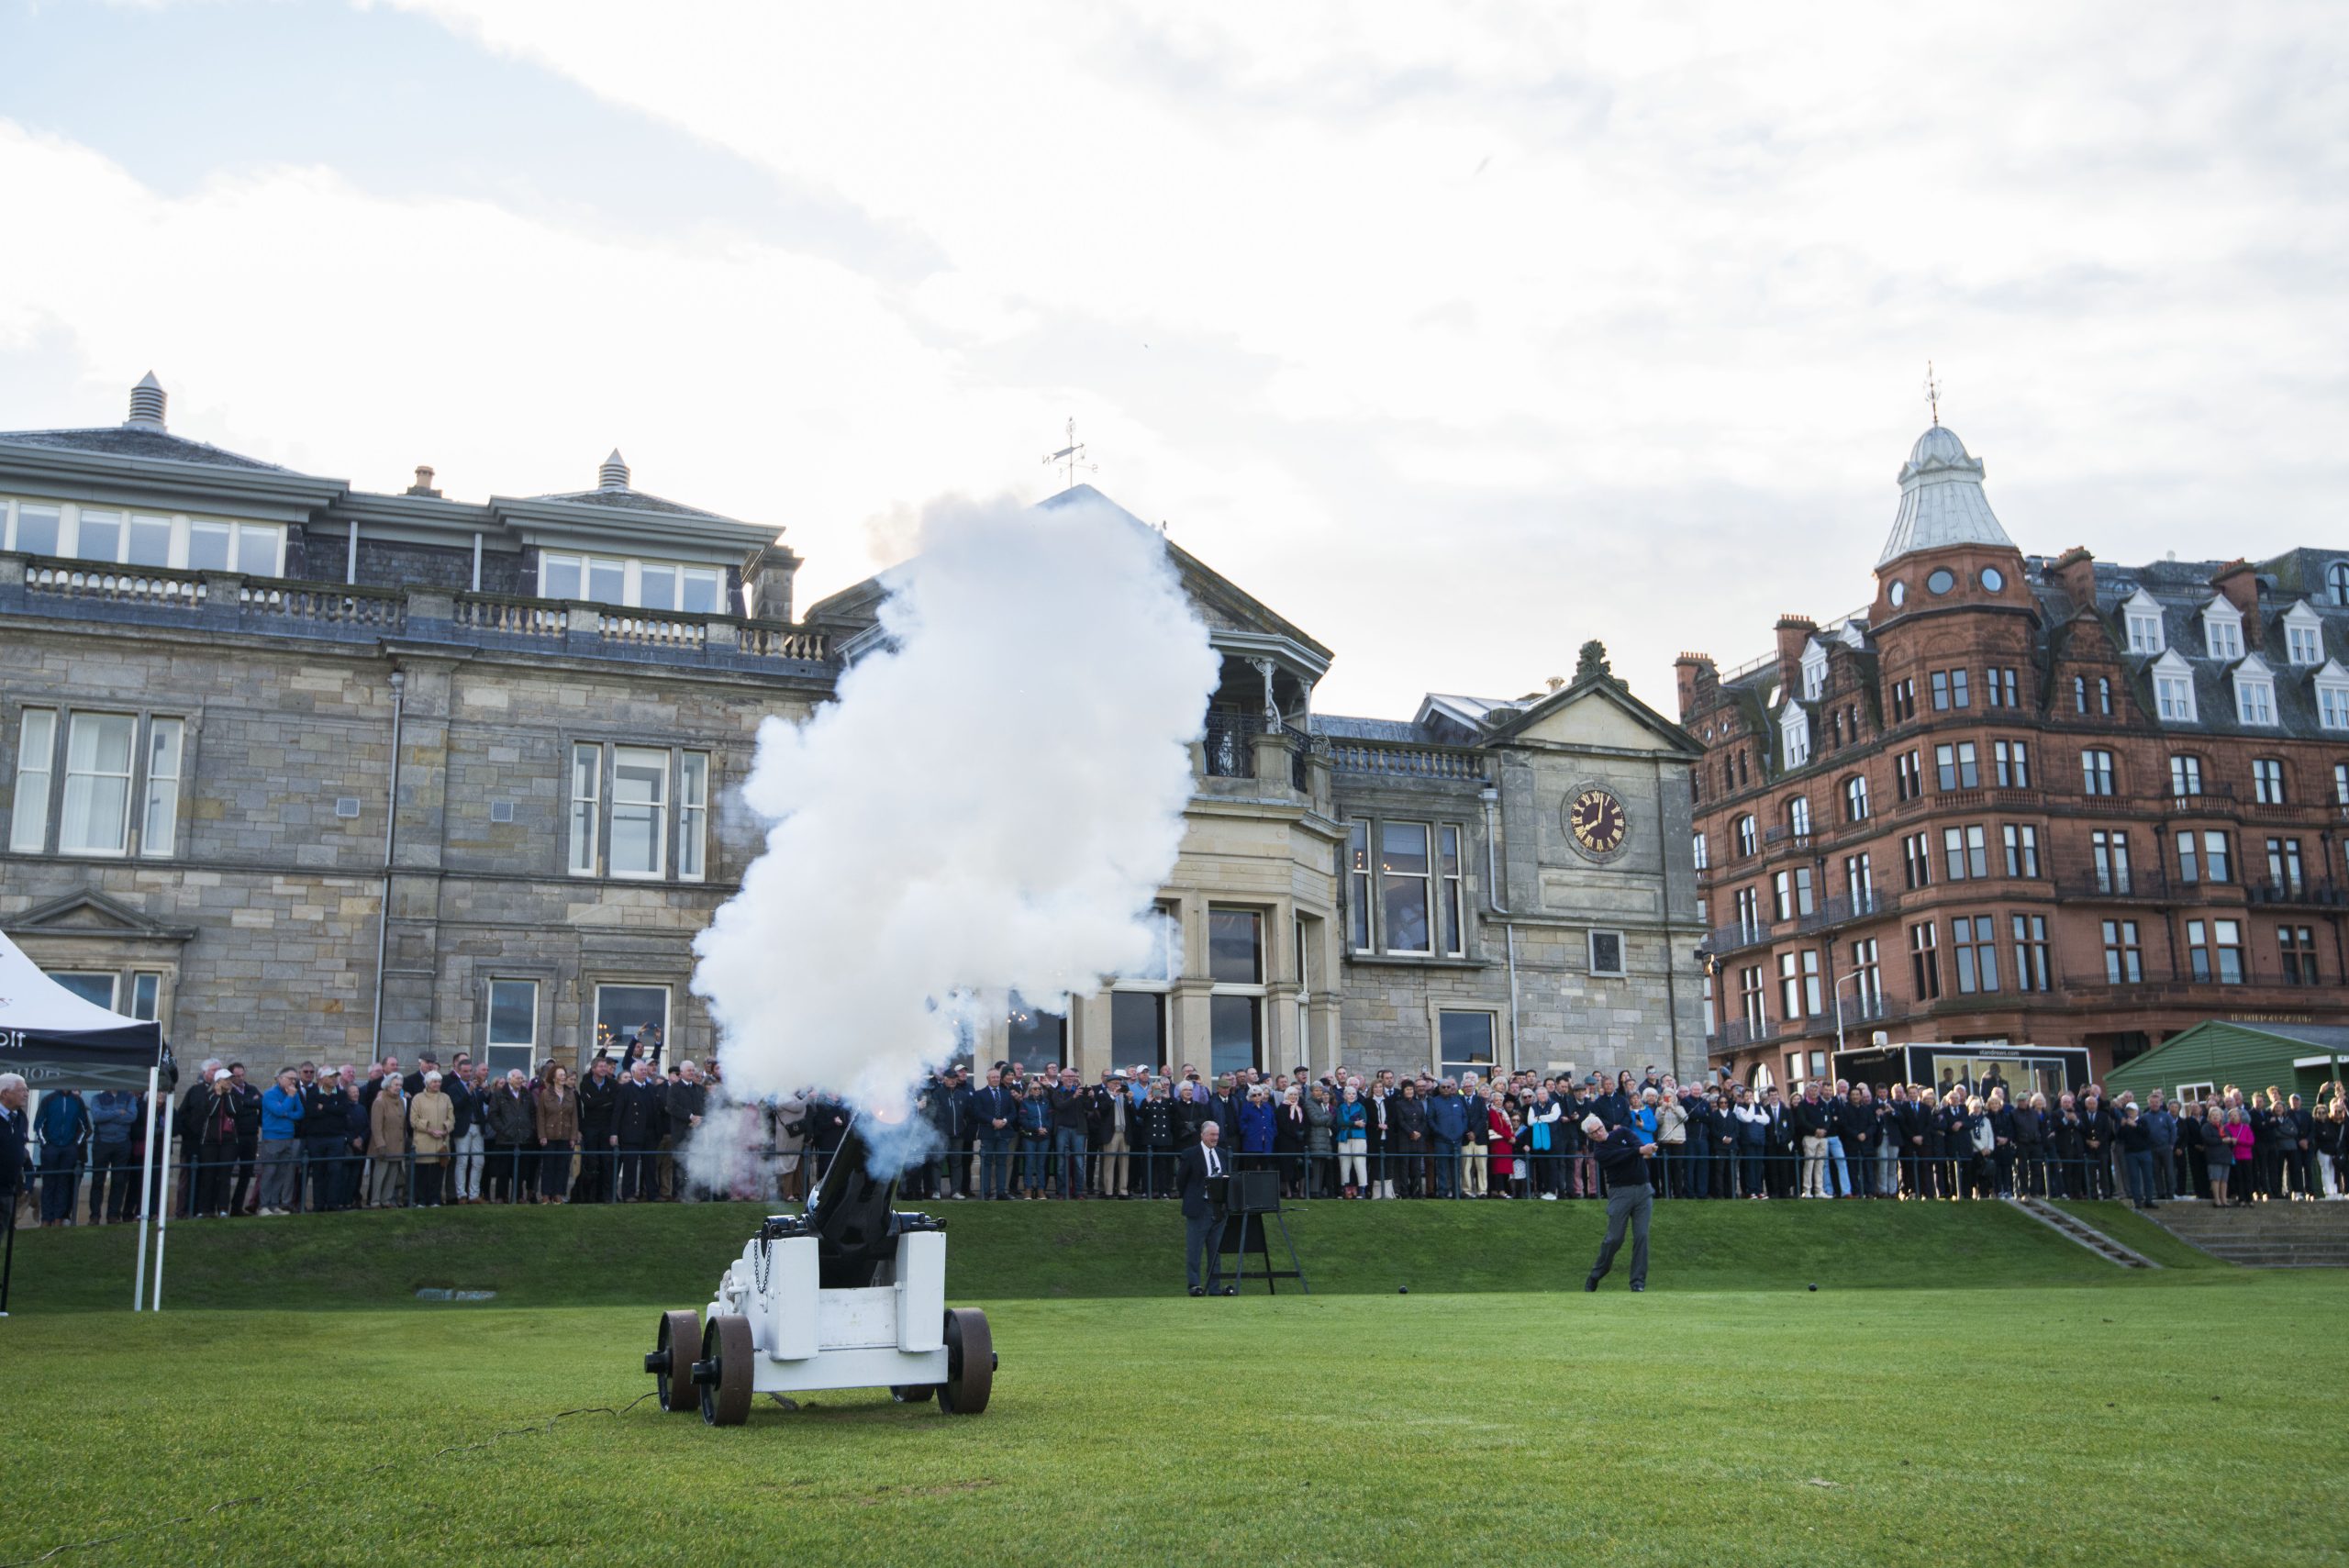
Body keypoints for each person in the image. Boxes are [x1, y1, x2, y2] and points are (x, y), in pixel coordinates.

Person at [1582, 1113, 1654, 1293]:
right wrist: (1639, 1151)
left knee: (1642, 1236)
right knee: (1614, 1238)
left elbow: (1638, 1147)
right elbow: (1622, 1155)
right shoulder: (1600, 1152)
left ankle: (1638, 1282)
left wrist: (1645, 1150)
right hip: (1620, 1193)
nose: (1599, 1133)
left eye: (1599, 1128)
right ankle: (1596, 1275)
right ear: (1590, 1136)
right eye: (1593, 1133)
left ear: (1602, 1125)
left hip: (1643, 1190)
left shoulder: (1623, 1133)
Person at [1175, 1118, 1232, 1296]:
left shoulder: (1222, 1154)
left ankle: (1214, 1287)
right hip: (1199, 1207)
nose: (1215, 1138)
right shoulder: (1191, 1153)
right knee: (1195, 1249)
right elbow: (1181, 1180)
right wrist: (1192, 1198)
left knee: (1215, 1251)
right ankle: (1194, 1285)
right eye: (1212, 1135)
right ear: (1203, 1135)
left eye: (1217, 1134)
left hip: (1218, 1208)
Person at [34, 1084, 88, 1227]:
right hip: (51, 1148)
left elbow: (85, 1127)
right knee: (49, 1183)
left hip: (69, 1149)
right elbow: (38, 1125)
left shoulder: (77, 1101)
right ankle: (46, 1219)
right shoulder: (49, 1099)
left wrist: (75, 1145)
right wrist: (46, 1144)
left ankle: (59, 1218)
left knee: (64, 1184)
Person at [86, 1083, 140, 1224]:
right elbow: (97, 1116)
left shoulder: (129, 1097)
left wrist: (109, 1115)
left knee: (119, 1181)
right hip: (102, 1143)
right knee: (98, 1180)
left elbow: (131, 1116)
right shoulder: (98, 1098)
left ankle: (113, 1214)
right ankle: (95, 1215)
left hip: (122, 1143)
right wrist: (118, 1112)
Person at [256, 1068, 305, 1216]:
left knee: (281, 1173)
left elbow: (300, 1113)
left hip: (288, 1137)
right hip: (273, 1138)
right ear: (279, 1078)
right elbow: (278, 1111)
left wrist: (286, 1112)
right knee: (270, 1172)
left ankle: (274, 1204)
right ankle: (263, 1206)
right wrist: (289, 1100)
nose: (293, 1082)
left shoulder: (294, 1093)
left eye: (295, 1079)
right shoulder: (270, 1094)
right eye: (290, 1078)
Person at [408, 1071, 454, 1207]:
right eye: (434, 1081)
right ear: (427, 1083)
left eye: (439, 1081)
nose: (437, 1084)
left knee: (438, 1173)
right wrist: (428, 1129)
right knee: (422, 1173)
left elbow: (451, 1118)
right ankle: (421, 1199)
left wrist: (445, 1129)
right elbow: (413, 1120)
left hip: (441, 1141)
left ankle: (435, 1199)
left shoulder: (446, 1098)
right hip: (423, 1141)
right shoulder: (418, 1098)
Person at [366, 1072, 407, 1208]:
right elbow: (376, 1126)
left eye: (400, 1085)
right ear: (388, 1085)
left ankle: (386, 1199)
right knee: (380, 1174)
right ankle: (375, 1201)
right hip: (383, 1145)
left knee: (392, 1174)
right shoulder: (380, 1101)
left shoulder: (401, 1101)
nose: (398, 1087)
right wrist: (380, 1145)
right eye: (396, 1085)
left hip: (397, 1144)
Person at [537, 1065, 578, 1203]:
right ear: (553, 1078)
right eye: (560, 1075)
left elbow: (574, 1117)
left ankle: (558, 1193)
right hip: (549, 1135)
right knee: (548, 1166)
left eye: (564, 1075)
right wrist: (542, 1135)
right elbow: (541, 1116)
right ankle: (545, 1194)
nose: (563, 1077)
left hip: (565, 1135)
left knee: (562, 1166)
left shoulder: (570, 1094)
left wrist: (573, 1137)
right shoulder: (545, 1094)